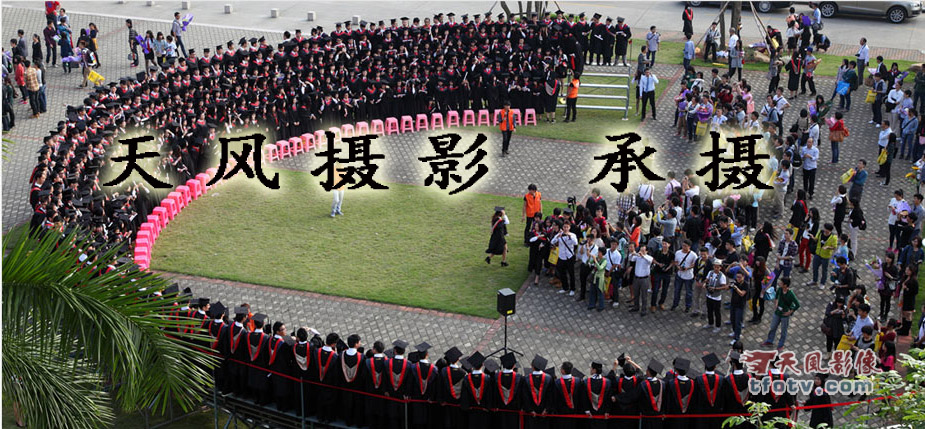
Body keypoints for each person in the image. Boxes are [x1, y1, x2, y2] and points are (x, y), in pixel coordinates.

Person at [763, 277, 799, 351]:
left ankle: (781, 344)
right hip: (777, 312)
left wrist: (790, 312)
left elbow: (797, 304)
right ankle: (770, 341)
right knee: (773, 327)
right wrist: (776, 303)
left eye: (781, 283)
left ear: (785, 285)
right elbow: (776, 296)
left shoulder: (790, 294)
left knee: (783, 330)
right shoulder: (780, 289)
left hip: (785, 314)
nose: (779, 283)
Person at [629, 244, 655, 316]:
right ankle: (636, 306)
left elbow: (651, 260)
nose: (641, 252)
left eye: (643, 250)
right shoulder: (637, 257)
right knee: (636, 294)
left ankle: (644, 309)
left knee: (644, 295)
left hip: (644, 279)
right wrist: (633, 253)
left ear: (646, 251)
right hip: (636, 278)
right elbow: (631, 259)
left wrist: (643, 255)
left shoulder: (648, 257)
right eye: (640, 250)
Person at [704, 259, 727, 333]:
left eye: (718, 267)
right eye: (715, 267)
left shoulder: (722, 276)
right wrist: (705, 283)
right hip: (709, 295)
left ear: (720, 267)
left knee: (717, 312)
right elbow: (707, 280)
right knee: (709, 310)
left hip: (716, 297)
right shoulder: (710, 272)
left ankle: (718, 326)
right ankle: (710, 323)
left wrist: (716, 288)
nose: (716, 268)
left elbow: (724, 287)